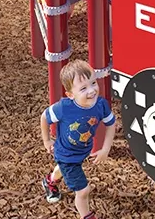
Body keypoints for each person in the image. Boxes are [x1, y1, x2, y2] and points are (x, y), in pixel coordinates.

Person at [39, 60, 117, 219]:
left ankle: (49, 181)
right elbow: (44, 117)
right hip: (66, 155)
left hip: (82, 151)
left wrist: (105, 149)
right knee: (83, 191)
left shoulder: (100, 104)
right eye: (83, 88)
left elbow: (111, 124)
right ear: (70, 95)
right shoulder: (64, 108)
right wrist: (47, 140)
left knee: (61, 169)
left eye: (93, 83)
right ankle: (86, 216)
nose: (92, 90)